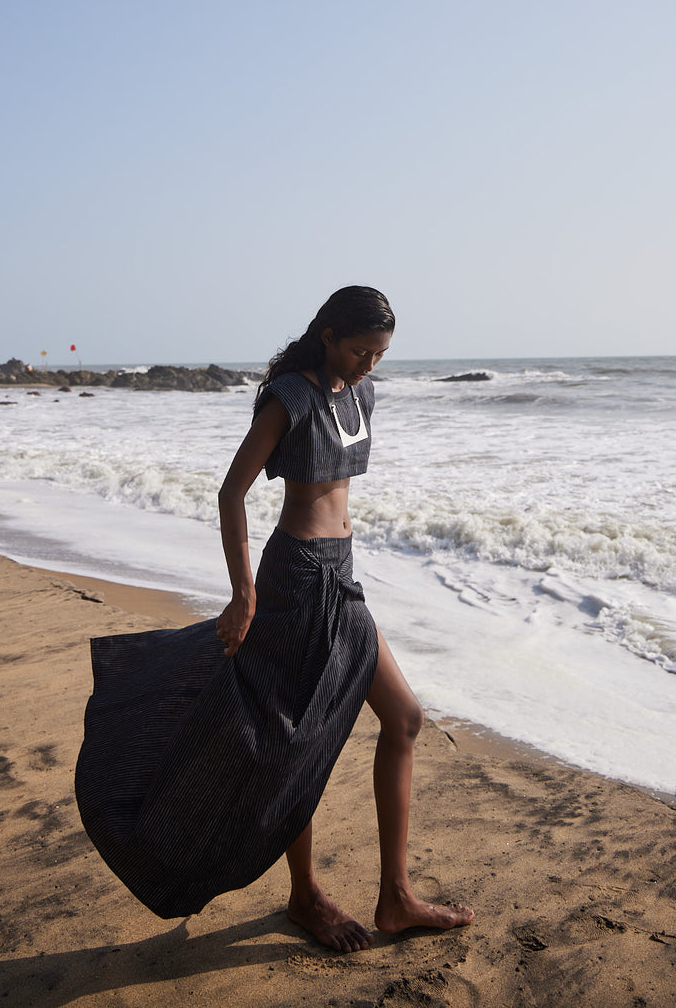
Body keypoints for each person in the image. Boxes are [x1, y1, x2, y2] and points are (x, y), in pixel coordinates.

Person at [75, 286, 473, 952]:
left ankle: (395, 895)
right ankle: (305, 893)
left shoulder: (360, 393)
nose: (370, 363)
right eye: (359, 349)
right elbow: (232, 490)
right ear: (326, 335)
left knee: (403, 717)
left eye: (379, 354)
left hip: (343, 577)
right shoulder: (288, 395)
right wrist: (243, 594)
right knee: (294, 743)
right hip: (294, 583)